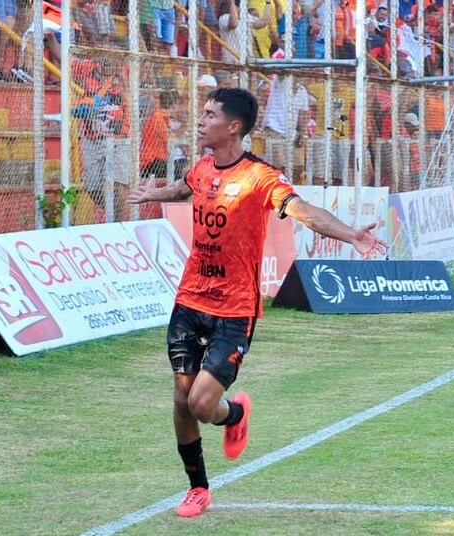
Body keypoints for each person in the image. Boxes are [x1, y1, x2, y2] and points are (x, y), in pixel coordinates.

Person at [127, 87, 387, 518]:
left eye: (209, 115)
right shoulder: (203, 167)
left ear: (233, 127)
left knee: (201, 405)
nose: (201, 120)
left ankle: (233, 415)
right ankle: (198, 489)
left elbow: (303, 211)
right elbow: (186, 188)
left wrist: (351, 234)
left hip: (235, 307)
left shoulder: (261, 177)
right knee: (181, 398)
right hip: (190, 298)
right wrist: (156, 194)